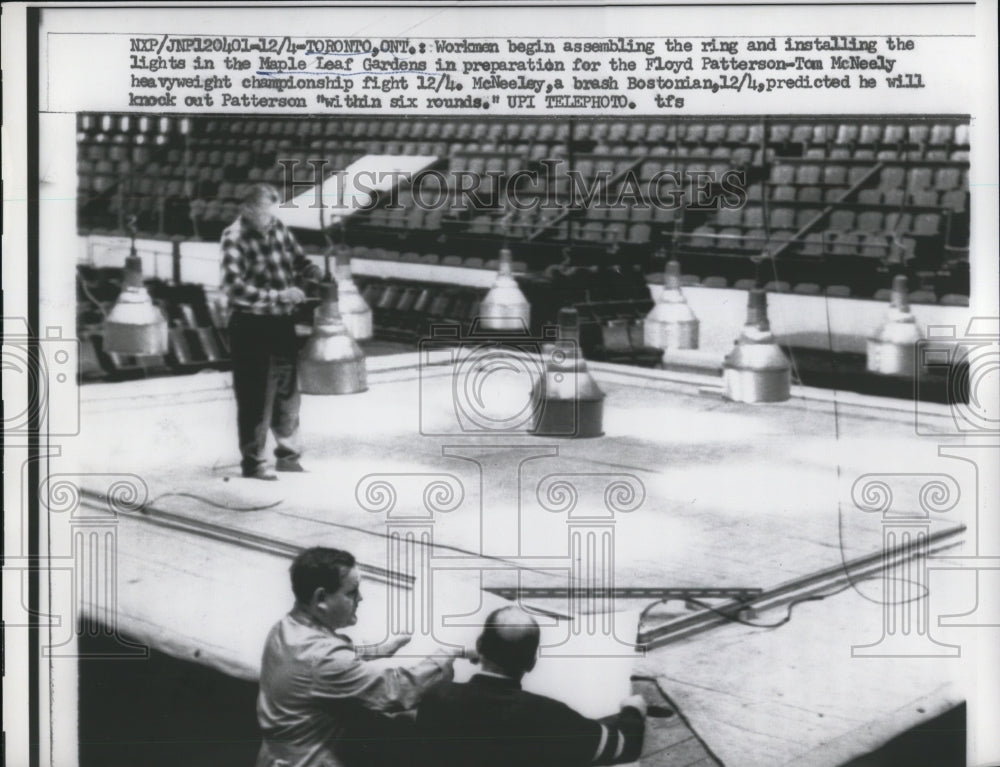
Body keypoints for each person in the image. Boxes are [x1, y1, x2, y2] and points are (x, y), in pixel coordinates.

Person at [256, 547, 464, 767]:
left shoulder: (283, 628)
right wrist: (448, 653)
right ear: (321, 598)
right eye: (351, 592)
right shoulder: (325, 659)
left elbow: (319, 659)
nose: (360, 598)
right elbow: (395, 690)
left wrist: (379, 650)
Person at [417, 606, 647, 767]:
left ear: (479, 646)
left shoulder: (438, 696)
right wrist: (633, 710)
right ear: (531, 662)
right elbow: (626, 746)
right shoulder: (550, 715)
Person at [220, 184, 322, 480]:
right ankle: (254, 463)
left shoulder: (277, 227)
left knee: (288, 394)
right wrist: (281, 296)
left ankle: (289, 456)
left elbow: (297, 258)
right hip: (250, 326)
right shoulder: (234, 238)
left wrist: (311, 270)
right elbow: (235, 289)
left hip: (280, 324)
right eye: (267, 213)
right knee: (256, 397)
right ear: (249, 210)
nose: (272, 219)